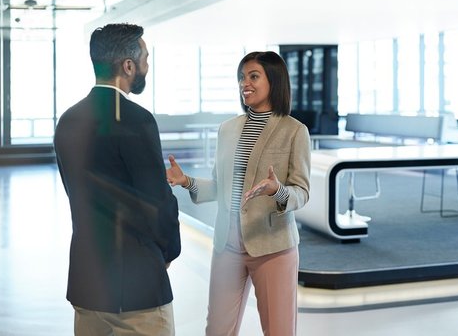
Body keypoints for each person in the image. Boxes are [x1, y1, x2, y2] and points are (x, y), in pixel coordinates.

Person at [166, 51, 311, 336]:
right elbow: (220, 189)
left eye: (254, 76)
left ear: (274, 81)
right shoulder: (228, 130)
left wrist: (278, 191)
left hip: (272, 247)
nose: (245, 83)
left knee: (279, 331)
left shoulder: (295, 131)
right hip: (227, 245)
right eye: (242, 77)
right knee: (217, 330)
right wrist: (187, 182)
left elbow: (302, 192)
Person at [54, 23, 181, 336]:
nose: (147, 67)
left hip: (87, 284)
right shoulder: (137, 120)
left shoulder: (68, 120)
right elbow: (158, 203)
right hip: (137, 290)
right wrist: (168, 252)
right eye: (145, 59)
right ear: (128, 65)